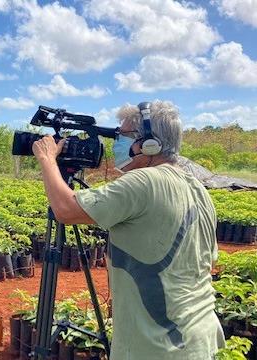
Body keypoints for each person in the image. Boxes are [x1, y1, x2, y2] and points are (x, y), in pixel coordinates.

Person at [32, 101, 224, 359]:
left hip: (157, 345)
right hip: (198, 338)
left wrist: (47, 159)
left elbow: (65, 210)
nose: (117, 144)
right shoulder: (199, 189)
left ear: (148, 144)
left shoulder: (145, 180)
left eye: (122, 137)